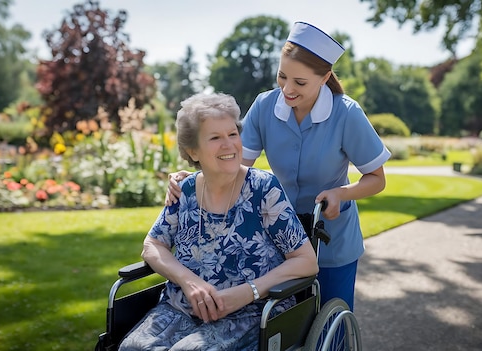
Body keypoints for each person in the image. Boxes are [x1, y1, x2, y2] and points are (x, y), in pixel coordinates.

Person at [166, 22, 390, 312]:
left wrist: (341, 193)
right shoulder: (265, 106)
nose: (287, 88)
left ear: (323, 78)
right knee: (284, 323)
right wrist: (193, 178)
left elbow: (376, 178)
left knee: (330, 318)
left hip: (332, 238)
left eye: (300, 82)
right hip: (281, 237)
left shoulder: (346, 114)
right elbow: (232, 165)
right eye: (282, 76)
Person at [119, 93, 318, 351]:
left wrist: (249, 292)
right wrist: (188, 281)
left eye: (232, 134)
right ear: (193, 151)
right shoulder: (185, 189)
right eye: (215, 138)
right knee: (132, 348)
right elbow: (153, 244)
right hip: (181, 307)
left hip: (251, 313)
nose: (229, 145)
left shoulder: (263, 189)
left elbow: (306, 261)